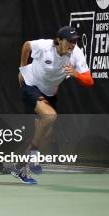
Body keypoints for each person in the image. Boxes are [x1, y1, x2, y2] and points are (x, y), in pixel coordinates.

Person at [15, 25, 94, 184]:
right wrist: (23, 68)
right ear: (59, 40)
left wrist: (77, 74)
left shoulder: (76, 54)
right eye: (70, 41)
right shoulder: (45, 46)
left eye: (75, 41)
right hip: (31, 84)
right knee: (50, 116)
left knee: (48, 134)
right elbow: (27, 46)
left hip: (50, 93)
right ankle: (33, 154)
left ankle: (20, 167)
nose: (73, 44)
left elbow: (89, 81)